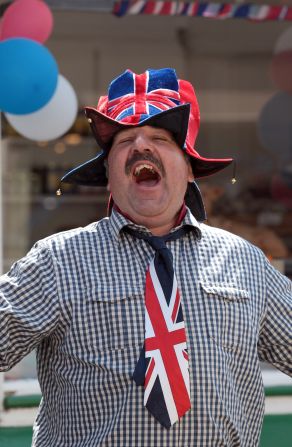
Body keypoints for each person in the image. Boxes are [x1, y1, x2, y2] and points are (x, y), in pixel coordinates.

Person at [0, 68, 291, 447]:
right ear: (108, 173)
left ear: (188, 170)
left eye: (159, 137)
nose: (141, 145)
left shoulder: (246, 263)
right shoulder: (57, 261)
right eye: (124, 140)